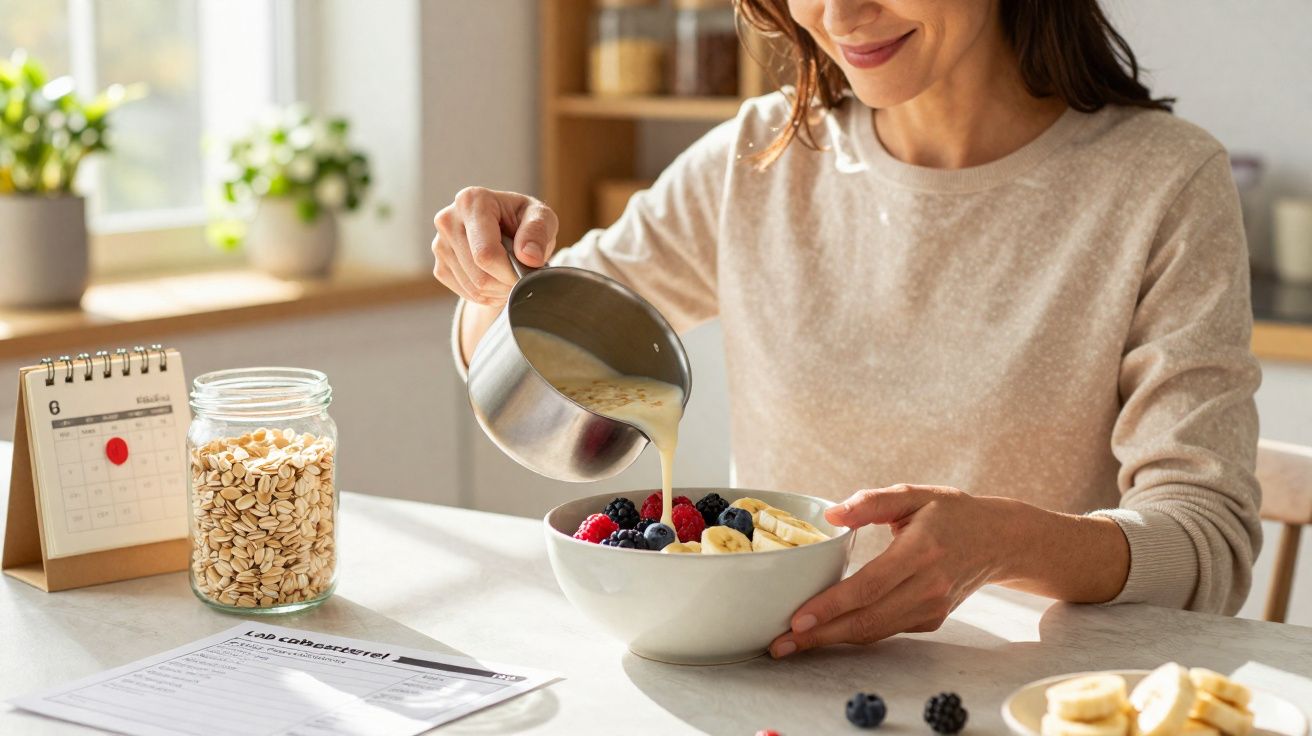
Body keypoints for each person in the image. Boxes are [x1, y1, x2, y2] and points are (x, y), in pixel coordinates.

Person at [432, 0, 1261, 659]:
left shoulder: (1162, 182)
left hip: (1019, 696)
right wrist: (496, 275)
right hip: (765, 683)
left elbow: (1208, 548)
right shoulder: (758, 158)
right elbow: (527, 353)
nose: (835, 12)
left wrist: (1006, 543)